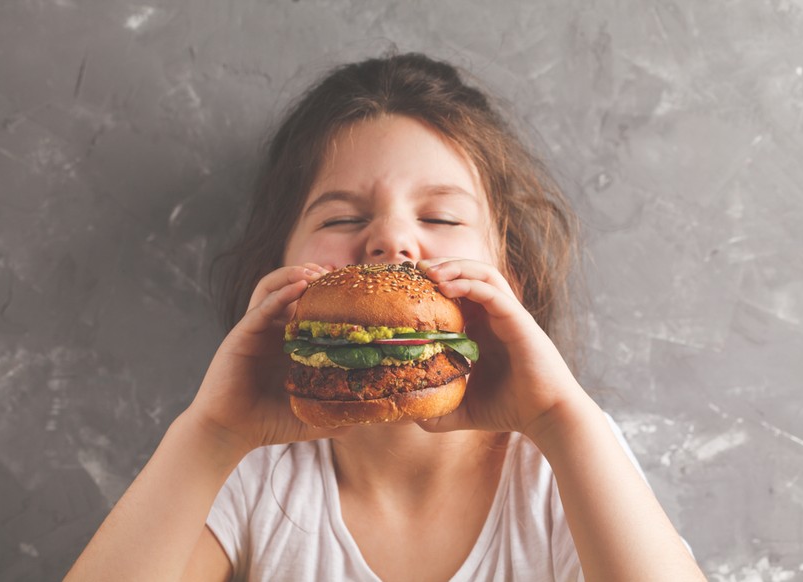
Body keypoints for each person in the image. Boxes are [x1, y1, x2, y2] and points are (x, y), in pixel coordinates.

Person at [66, 53, 706, 581]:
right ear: (281, 264)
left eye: (442, 218)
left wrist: (559, 419)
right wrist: (211, 433)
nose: (393, 242)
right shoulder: (247, 475)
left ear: (507, 272)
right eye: (341, 218)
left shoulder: (564, 459)